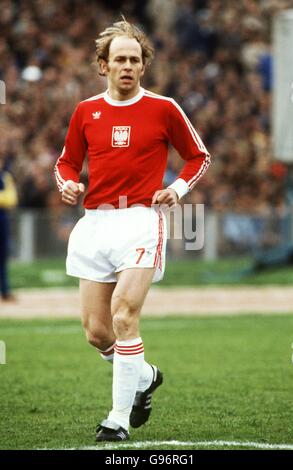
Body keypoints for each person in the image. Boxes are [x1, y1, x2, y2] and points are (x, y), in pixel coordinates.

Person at [54, 19, 211, 442]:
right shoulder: (87, 110)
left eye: (135, 60)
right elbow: (66, 161)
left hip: (141, 220)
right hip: (95, 223)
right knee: (97, 331)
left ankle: (117, 419)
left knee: (125, 314)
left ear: (144, 66)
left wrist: (176, 189)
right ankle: (145, 375)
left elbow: (199, 157)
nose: (128, 66)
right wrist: (67, 183)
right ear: (102, 65)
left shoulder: (164, 108)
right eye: (119, 59)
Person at [0, 156, 18, 301]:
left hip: (3, 219)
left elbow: (11, 199)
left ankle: (5, 290)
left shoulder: (5, 177)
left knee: (3, 256)